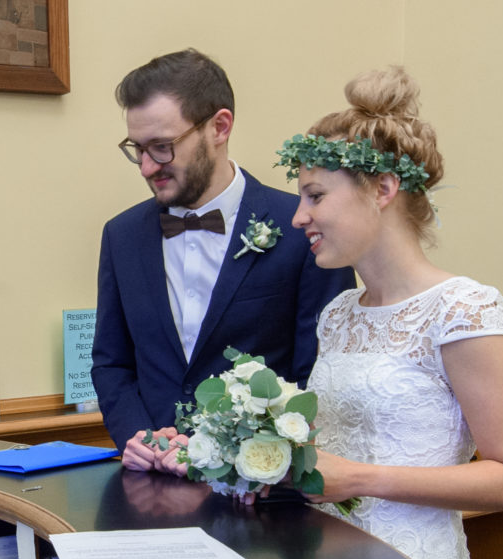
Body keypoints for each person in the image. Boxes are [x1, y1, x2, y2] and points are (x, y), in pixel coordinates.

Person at [273, 66, 503, 559]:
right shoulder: (339, 313)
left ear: (382, 188)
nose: (298, 217)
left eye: (314, 195)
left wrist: (360, 479)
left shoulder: (464, 308)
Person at [90, 48, 355, 472]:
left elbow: (321, 372)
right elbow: (112, 362)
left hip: (263, 492)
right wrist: (137, 438)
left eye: (161, 147)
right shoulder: (121, 236)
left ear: (219, 126)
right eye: (136, 149)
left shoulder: (304, 230)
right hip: (152, 486)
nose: (144, 167)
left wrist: (249, 459)